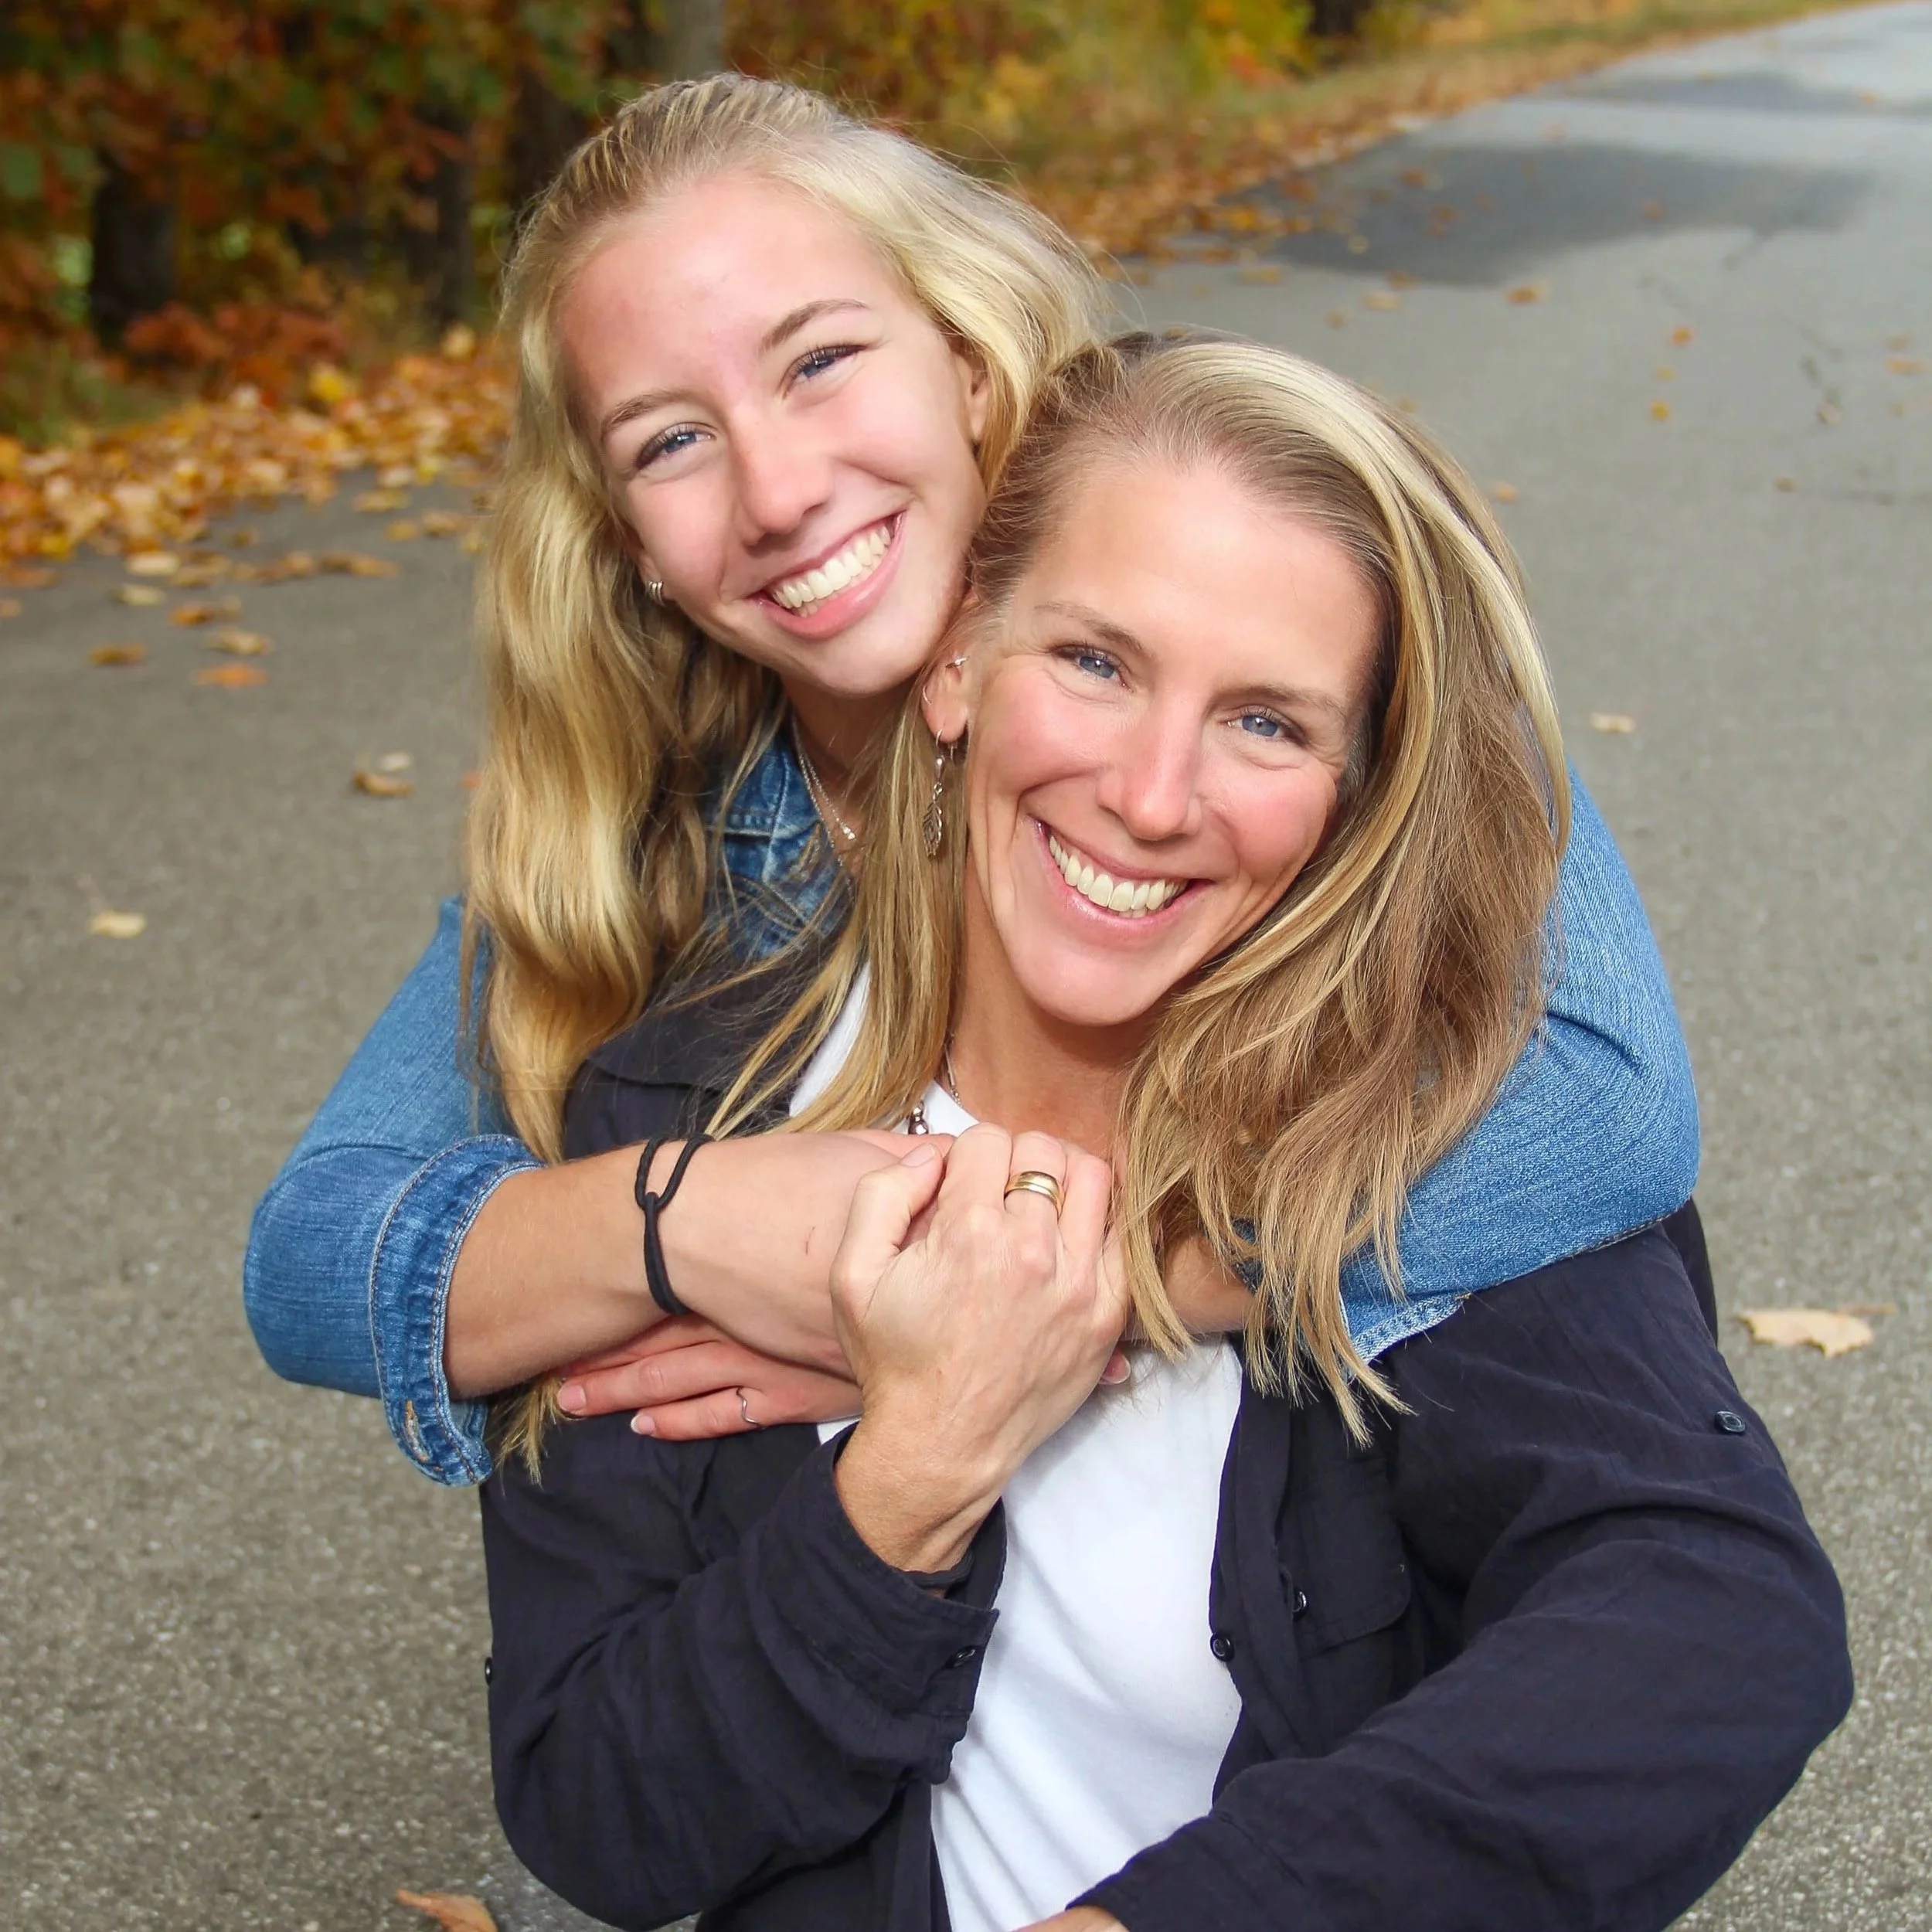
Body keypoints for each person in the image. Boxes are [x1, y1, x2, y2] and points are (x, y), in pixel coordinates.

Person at [481, 335, 1849, 1932]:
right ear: (955, 662)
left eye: (1265, 723)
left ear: (1352, 790)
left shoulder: (1446, 1143)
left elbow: (1716, 1621)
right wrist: (912, 1475)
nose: (1145, 793)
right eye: (1094, 662)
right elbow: (598, 1803)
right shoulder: (688, 1111)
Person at [243, 74, 1699, 1483]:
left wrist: (1036, 1297)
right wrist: (681, 1220)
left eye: (818, 362)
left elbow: (1608, 1099)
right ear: (626, 538)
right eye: (672, 441)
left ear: (964, 349)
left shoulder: (1246, 567)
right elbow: (312, 1256)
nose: (777, 491)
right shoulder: (648, 819)